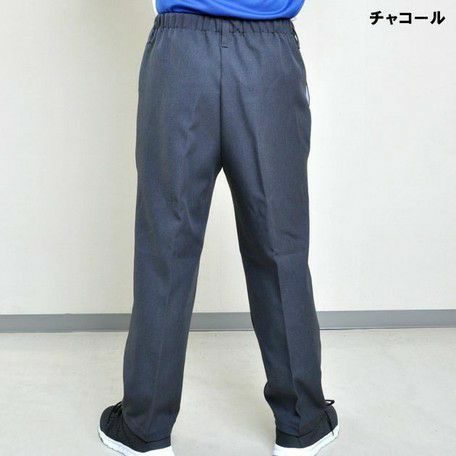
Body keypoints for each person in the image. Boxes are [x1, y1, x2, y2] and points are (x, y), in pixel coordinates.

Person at [98, 1, 338, 455]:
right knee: (280, 245)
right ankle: (303, 422)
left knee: (166, 245)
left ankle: (145, 426)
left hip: (181, 53)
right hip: (268, 55)